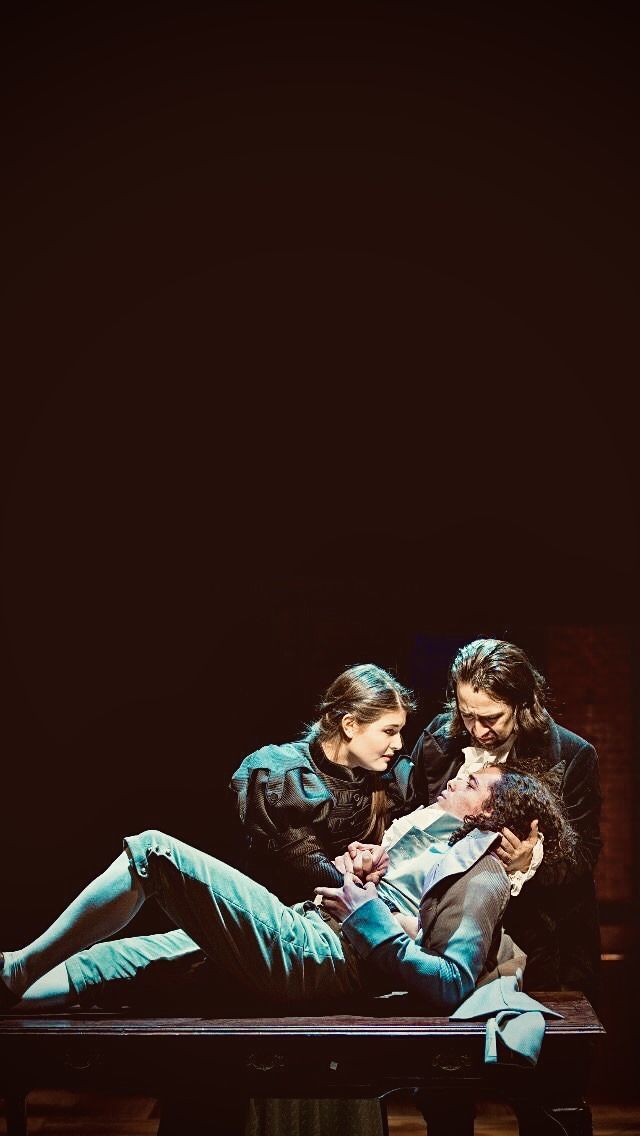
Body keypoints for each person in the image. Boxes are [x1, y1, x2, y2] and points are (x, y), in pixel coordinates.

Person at [0, 766, 573, 1017]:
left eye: (473, 783)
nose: (458, 778)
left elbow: (451, 985)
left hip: (320, 957)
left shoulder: (485, 879)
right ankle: (10, 993)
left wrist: (367, 914)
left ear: (494, 814)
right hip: (310, 932)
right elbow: (405, 907)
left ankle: (18, 970)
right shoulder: (447, 843)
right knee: (115, 958)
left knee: (154, 852)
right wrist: (367, 873)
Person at [410, 638, 602, 1004]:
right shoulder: (439, 740)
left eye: (491, 717)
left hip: (540, 943)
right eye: (467, 715)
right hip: (448, 932)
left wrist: (534, 862)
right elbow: (409, 815)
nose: (478, 729)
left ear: (522, 704)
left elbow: (586, 853)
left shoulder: (572, 756)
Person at [229, 663, 418, 905]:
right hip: (276, 919)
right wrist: (384, 910)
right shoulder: (287, 776)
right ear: (349, 725)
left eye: (400, 731)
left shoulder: (388, 782)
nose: (399, 743)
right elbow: (310, 869)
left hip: (344, 922)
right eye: (389, 731)